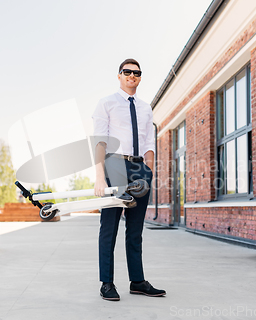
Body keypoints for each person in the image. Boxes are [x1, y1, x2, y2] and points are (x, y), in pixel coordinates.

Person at [92, 58, 166, 301]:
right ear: (119, 75)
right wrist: (100, 177)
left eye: (136, 72)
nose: (131, 76)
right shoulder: (107, 103)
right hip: (114, 164)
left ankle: (137, 281)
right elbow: (100, 141)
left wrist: (149, 171)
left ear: (140, 77)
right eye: (127, 72)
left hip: (139, 168)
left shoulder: (146, 108)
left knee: (135, 230)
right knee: (109, 228)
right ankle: (107, 283)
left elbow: (148, 142)